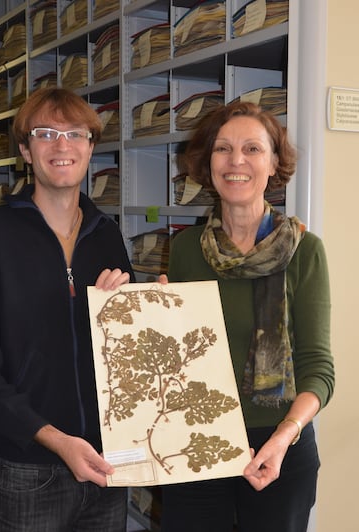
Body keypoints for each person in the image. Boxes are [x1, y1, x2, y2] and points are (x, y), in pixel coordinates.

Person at [0, 87, 136, 531]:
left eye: (75, 134)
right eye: (46, 133)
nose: (62, 145)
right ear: (25, 151)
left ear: (91, 147)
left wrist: (148, 309)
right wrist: (55, 440)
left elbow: (129, 351)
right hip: (29, 468)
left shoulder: (106, 235)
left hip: (108, 462)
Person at [159, 101, 335, 532]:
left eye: (253, 149)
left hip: (278, 446)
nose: (236, 161)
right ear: (208, 162)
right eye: (223, 148)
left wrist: (283, 436)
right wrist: (156, 319)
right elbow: (179, 364)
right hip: (196, 442)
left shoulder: (304, 251)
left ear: (275, 164)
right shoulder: (184, 251)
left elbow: (318, 368)